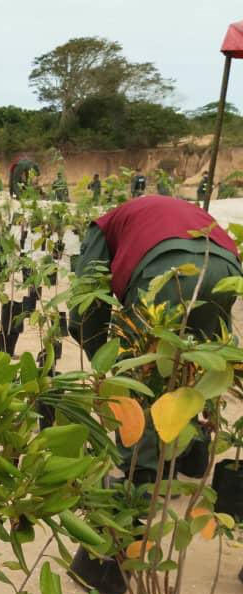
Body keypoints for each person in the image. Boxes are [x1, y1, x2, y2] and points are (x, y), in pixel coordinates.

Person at [69, 195, 241, 478]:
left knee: (141, 369)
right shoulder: (153, 212)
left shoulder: (100, 226)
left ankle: (144, 474)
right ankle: (192, 451)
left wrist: (108, 364)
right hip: (226, 265)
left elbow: (87, 305)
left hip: (166, 269)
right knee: (203, 359)